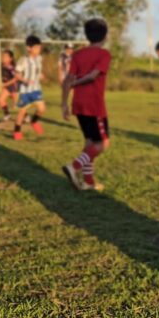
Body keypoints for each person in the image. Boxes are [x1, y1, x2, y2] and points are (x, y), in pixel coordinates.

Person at [61, 19, 111, 191]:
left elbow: (67, 79)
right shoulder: (104, 54)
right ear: (105, 36)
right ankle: (74, 167)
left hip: (79, 104)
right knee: (103, 144)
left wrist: (64, 104)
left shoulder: (77, 55)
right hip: (94, 105)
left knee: (90, 143)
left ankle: (89, 181)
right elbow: (93, 76)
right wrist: (77, 83)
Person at [13, 36, 46, 141]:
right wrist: (25, 80)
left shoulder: (39, 58)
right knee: (22, 112)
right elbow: (17, 75)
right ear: (29, 48)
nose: (38, 50)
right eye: (36, 48)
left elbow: (37, 70)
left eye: (39, 47)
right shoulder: (23, 60)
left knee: (42, 109)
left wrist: (40, 75)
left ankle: (34, 121)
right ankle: (17, 131)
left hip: (36, 88)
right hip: (25, 91)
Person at [0, 49, 19, 121]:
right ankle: (7, 114)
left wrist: (5, 84)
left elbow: (16, 78)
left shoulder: (11, 67)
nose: (3, 58)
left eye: (6, 57)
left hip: (13, 86)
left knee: (16, 105)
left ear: (10, 58)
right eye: (3, 56)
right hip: (6, 86)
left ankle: (26, 116)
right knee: (1, 100)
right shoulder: (1, 65)